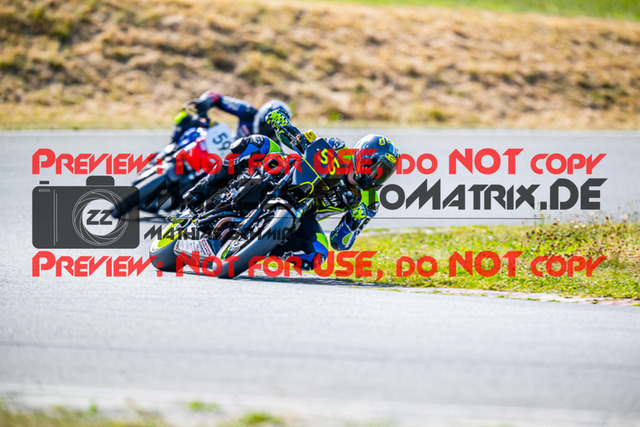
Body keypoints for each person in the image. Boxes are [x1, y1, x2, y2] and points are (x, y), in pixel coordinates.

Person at [183, 109, 399, 271]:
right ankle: (201, 191)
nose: (376, 176)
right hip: (285, 176)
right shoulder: (338, 149)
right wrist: (283, 125)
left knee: (317, 256)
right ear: (363, 156)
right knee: (258, 144)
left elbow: (339, 243)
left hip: (302, 216)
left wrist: (353, 223)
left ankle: (257, 248)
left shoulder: (369, 203)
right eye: (376, 167)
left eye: (384, 174)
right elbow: (303, 142)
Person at [171, 90, 292, 144]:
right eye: (269, 123)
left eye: (276, 126)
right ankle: (171, 149)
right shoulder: (247, 111)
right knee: (190, 120)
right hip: (224, 145)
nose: (270, 128)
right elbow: (215, 96)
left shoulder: (276, 144)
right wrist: (205, 103)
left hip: (235, 170)